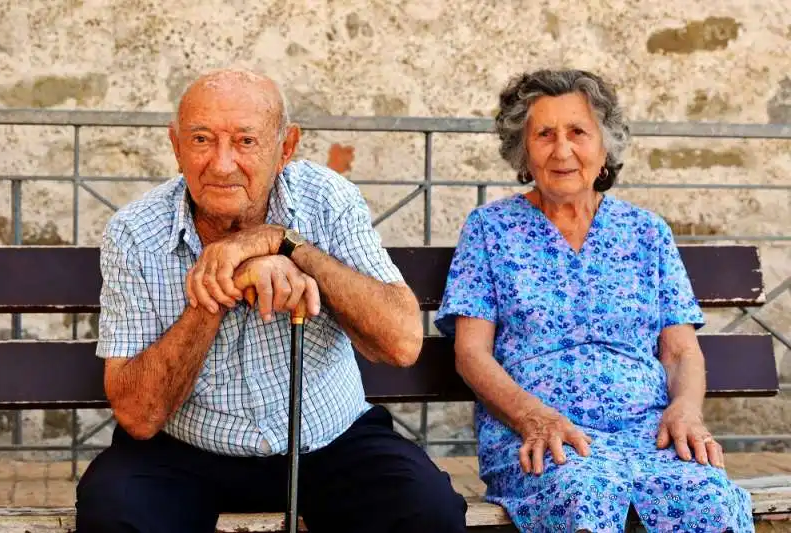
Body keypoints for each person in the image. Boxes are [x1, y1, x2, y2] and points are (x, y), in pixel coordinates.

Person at [75, 68, 467, 533]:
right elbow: (139, 417)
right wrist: (223, 285)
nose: (221, 164)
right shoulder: (135, 232)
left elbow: (401, 342)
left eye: (245, 141)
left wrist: (284, 243)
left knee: (427, 511)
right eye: (201, 140)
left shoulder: (325, 200)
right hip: (184, 453)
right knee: (115, 512)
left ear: (286, 148)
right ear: (176, 147)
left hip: (329, 443)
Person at [434, 68, 753, 532]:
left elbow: (681, 351)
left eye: (578, 132)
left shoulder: (647, 233)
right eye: (544, 134)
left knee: (708, 497)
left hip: (649, 433)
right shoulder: (490, 230)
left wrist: (685, 409)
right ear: (523, 151)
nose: (562, 150)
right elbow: (470, 353)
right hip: (541, 434)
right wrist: (533, 418)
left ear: (604, 147)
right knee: (585, 490)